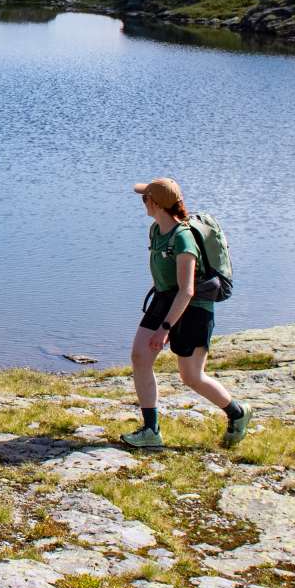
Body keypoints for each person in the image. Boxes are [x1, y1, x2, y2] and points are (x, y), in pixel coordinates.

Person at [119, 176, 251, 451]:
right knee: (140, 356)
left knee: (191, 376)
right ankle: (151, 430)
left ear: (154, 203)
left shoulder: (183, 239)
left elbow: (187, 291)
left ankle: (237, 413)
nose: (142, 202)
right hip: (164, 300)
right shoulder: (157, 230)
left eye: (145, 198)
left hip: (192, 309)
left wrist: (165, 328)